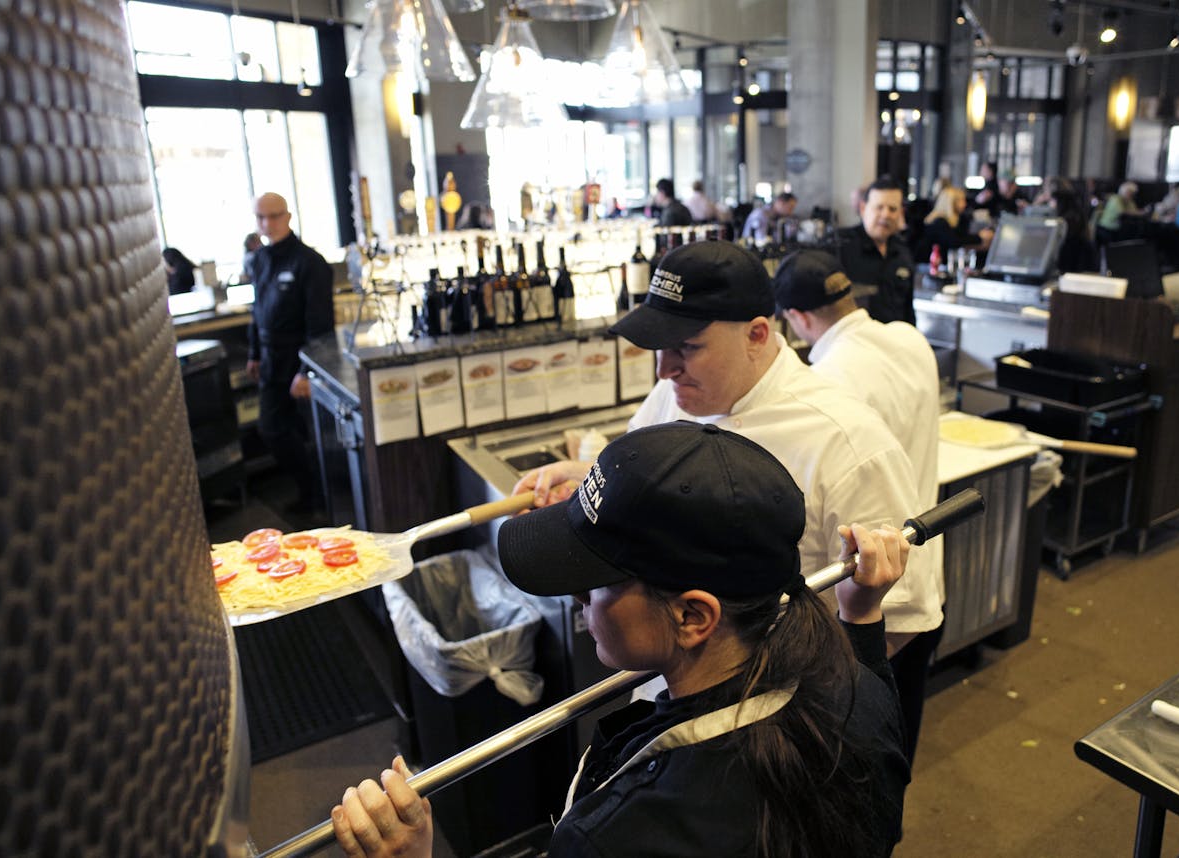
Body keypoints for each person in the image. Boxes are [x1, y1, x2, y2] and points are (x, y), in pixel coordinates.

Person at [330, 422, 912, 858]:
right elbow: (871, 698)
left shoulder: (619, 835)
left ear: (693, 617)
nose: (576, 598)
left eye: (596, 583)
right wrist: (860, 614)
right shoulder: (856, 688)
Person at [513, 242, 939, 678]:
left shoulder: (846, 443)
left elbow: (902, 620)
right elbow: (647, 485)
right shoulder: (677, 394)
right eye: (659, 348)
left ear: (756, 334)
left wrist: (786, 703)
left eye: (687, 347)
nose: (664, 370)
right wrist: (588, 478)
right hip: (666, 690)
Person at [772, 249, 943, 769]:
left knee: (863, 753)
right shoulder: (909, 339)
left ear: (796, 319)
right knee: (900, 736)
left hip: (873, 606)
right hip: (924, 579)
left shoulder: (830, 377)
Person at [246, 192, 334, 516]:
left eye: (273, 216)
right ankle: (308, 492)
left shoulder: (309, 262)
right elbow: (256, 313)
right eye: (260, 217)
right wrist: (254, 352)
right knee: (271, 429)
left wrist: (307, 371)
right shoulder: (258, 260)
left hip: (299, 360)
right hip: (270, 360)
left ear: (288, 216)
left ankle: (320, 502)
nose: (267, 223)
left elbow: (321, 326)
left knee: (311, 437)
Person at [836, 176, 918, 327]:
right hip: (855, 344)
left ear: (901, 212)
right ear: (863, 208)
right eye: (879, 207)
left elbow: (908, 311)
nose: (885, 215)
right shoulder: (841, 247)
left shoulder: (903, 253)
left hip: (893, 344)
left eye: (892, 209)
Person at [914, 186, 993, 263]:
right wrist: (980, 236)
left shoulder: (953, 221)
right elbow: (954, 241)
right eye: (961, 200)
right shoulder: (939, 222)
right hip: (928, 266)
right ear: (951, 202)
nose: (964, 204)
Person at [1094, 181, 1142, 248]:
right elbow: (1122, 212)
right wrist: (1141, 212)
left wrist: (1139, 212)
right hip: (1107, 228)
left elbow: (1134, 211)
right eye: (1129, 192)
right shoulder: (1115, 198)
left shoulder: (1129, 201)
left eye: (1132, 193)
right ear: (1123, 191)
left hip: (1119, 229)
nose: (1131, 195)